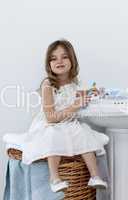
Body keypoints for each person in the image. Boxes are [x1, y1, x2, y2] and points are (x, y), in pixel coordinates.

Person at [3, 39, 109, 193]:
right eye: (53, 58)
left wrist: (91, 92)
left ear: (72, 61)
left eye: (64, 57)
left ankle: (95, 176)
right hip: (51, 123)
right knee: (53, 135)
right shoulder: (48, 85)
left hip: (68, 122)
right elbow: (51, 117)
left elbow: (74, 94)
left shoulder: (73, 83)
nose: (59, 61)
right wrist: (76, 105)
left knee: (83, 133)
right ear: (49, 64)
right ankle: (55, 178)